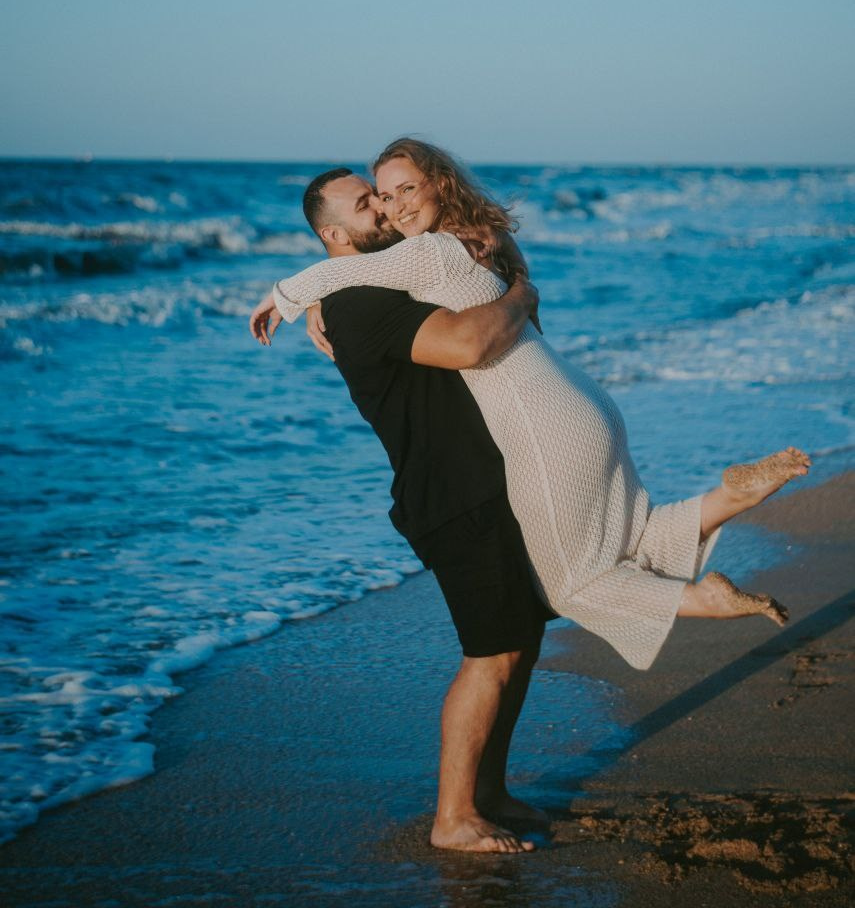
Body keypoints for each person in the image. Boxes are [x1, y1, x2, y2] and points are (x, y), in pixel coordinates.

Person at [258, 139, 810, 676]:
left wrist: (288, 297)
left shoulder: (425, 252)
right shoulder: (483, 238)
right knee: (628, 535)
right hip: (583, 403)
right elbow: (378, 274)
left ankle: (704, 600)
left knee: (567, 585)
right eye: (381, 198)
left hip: (541, 430)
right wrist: (320, 301)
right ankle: (731, 494)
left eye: (404, 191)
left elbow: (342, 270)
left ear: (437, 186)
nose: (391, 207)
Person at [251, 167, 552, 854]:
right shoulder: (359, 300)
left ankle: (490, 792)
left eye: (382, 195)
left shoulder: (378, 281)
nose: (383, 209)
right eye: (366, 205)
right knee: (491, 652)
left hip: (478, 480)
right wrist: (521, 295)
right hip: (450, 493)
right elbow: (469, 342)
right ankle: (452, 817)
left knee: (519, 639)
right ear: (334, 234)